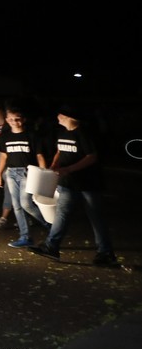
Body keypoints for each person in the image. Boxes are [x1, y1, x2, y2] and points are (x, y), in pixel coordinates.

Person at [32, 105, 117, 266]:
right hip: (68, 183)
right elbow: (60, 151)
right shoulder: (63, 132)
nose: (58, 117)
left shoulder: (83, 134)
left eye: (60, 114)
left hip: (88, 183)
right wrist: (54, 165)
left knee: (96, 217)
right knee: (62, 214)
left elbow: (91, 157)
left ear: (68, 117)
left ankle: (106, 253)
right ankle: (51, 246)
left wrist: (69, 169)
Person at [0, 105, 48, 248]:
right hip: (11, 172)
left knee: (26, 203)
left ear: (23, 120)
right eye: (11, 119)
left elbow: (39, 156)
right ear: (7, 120)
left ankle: (50, 224)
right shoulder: (4, 136)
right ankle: (25, 236)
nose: (14, 122)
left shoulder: (31, 135)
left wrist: (44, 174)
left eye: (17, 119)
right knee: (17, 206)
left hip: (27, 172)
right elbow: (4, 156)